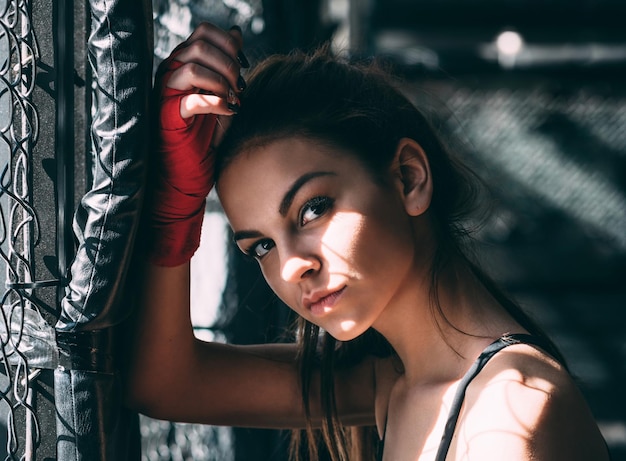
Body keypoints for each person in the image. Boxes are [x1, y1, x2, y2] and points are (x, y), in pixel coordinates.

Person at [127, 22, 610, 461]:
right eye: (261, 247)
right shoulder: (394, 381)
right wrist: (175, 202)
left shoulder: (508, 416)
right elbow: (167, 384)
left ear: (408, 177)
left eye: (312, 208)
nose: (292, 266)